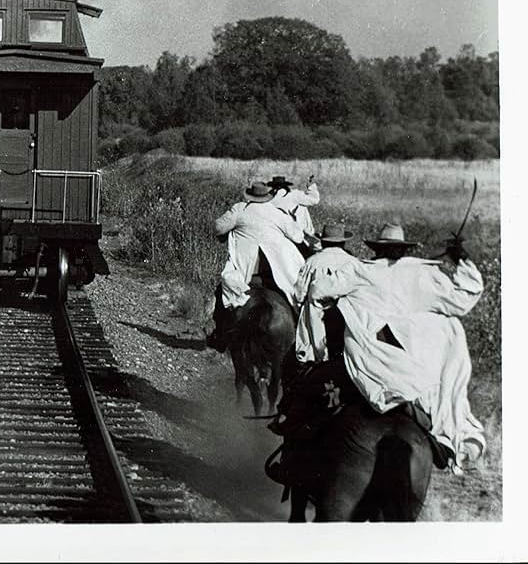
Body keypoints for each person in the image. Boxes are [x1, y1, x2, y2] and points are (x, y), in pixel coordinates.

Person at [297, 222, 486, 472]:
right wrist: (461, 259)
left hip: (374, 356)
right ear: (404, 249)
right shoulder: (423, 273)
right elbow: (464, 298)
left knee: (315, 392)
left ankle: (298, 455)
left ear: (377, 249)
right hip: (418, 361)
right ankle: (447, 441)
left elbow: (317, 290)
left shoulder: (362, 270)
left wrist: (336, 305)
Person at [206, 181, 310, 349]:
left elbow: (218, 227)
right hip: (277, 271)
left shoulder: (240, 209)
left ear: (250, 195)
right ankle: (302, 339)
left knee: (223, 292)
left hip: (246, 271)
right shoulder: (277, 212)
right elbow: (298, 237)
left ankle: (219, 336)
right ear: (267, 196)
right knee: (297, 297)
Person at [292, 223, 365, 364]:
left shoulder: (312, 262)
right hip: (347, 314)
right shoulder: (353, 262)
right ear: (343, 243)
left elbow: (299, 294)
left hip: (317, 315)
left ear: (323, 242)